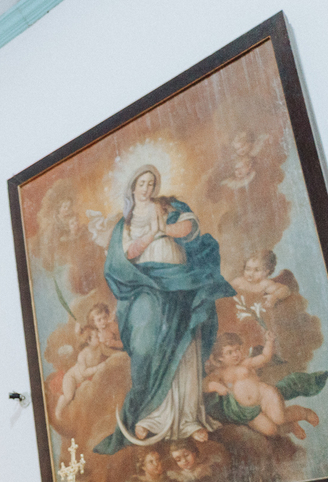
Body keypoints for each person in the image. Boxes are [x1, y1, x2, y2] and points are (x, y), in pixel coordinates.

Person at [95, 165, 235, 455]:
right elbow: (128, 254)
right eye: (141, 184)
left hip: (181, 279)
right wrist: (153, 234)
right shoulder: (127, 222)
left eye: (151, 183)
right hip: (147, 282)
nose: (146, 188)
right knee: (154, 343)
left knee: (185, 339)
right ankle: (151, 415)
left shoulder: (169, 205)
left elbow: (189, 229)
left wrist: (165, 228)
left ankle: (190, 418)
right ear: (132, 188)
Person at [203, 331, 327, 439]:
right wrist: (215, 386)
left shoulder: (245, 363)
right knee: (271, 430)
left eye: (237, 349)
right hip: (247, 411)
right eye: (229, 352)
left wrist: (269, 341)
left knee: (279, 418)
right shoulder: (219, 373)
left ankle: (304, 413)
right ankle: (290, 426)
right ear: (220, 358)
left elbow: (264, 357)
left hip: (265, 396)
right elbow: (204, 385)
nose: (235, 354)